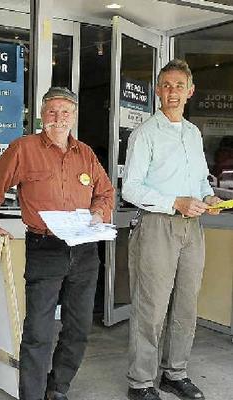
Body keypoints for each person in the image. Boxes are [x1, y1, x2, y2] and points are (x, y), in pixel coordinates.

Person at [0, 87, 115, 400]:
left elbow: (105, 193)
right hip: (45, 248)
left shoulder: (86, 154)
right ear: (42, 115)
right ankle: (33, 395)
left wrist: (98, 211)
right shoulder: (23, 148)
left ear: (74, 116)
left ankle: (58, 388)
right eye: (52, 111)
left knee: (78, 328)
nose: (59, 118)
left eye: (65, 112)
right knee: (38, 333)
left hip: (84, 249)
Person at [122, 59, 221, 400]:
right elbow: (130, 188)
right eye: (166, 85)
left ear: (190, 91)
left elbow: (198, 178)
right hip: (158, 226)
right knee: (151, 308)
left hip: (192, 228)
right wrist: (175, 202)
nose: (173, 92)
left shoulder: (193, 134)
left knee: (185, 305)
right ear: (157, 92)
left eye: (179, 86)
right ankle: (141, 383)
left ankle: (174, 373)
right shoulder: (145, 134)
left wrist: (208, 195)